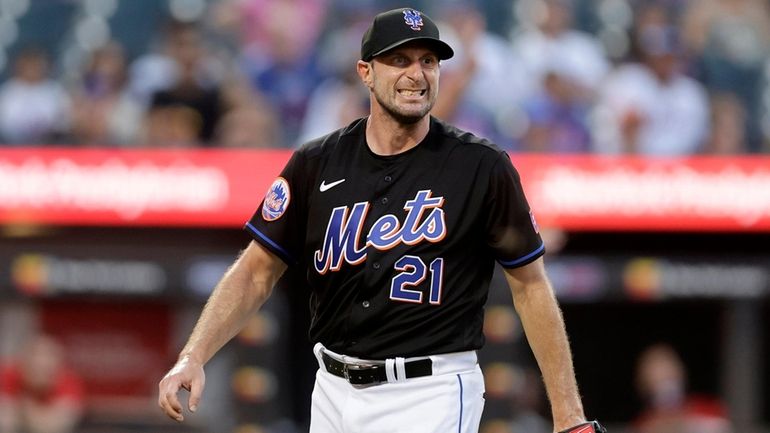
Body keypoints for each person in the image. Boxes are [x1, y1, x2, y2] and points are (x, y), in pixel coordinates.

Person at [158, 7, 605, 433]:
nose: (417, 74)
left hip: (431, 390)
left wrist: (568, 413)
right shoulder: (316, 163)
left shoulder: (481, 168)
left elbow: (531, 286)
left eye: (428, 61)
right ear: (366, 73)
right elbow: (255, 271)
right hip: (332, 388)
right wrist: (193, 354)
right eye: (399, 60)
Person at [633, 343, 733, 433]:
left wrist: (684, 424)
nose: (666, 390)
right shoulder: (644, 424)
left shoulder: (709, 409)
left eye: (670, 378)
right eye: (657, 383)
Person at [0, 335, 85, 433]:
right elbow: (5, 423)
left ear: (58, 366)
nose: (39, 369)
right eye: (34, 367)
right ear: (22, 363)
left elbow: (53, 427)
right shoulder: (7, 375)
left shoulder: (70, 382)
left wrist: (24, 406)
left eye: (45, 369)